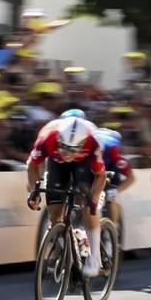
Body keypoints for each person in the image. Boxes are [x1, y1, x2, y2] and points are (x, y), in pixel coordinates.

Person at [26, 116, 106, 277]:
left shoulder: (92, 143)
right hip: (57, 164)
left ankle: (95, 257)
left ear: (83, 143)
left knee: (87, 204)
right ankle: (68, 250)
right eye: (63, 147)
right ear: (58, 138)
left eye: (72, 150)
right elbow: (32, 167)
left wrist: (94, 199)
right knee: (55, 216)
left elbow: (101, 176)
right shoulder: (47, 139)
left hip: (83, 164)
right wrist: (34, 191)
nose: (67, 154)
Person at [94, 126, 134, 228]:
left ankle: (112, 229)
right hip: (94, 166)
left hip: (110, 168)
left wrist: (116, 191)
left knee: (110, 196)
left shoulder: (114, 151)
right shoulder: (90, 145)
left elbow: (131, 178)